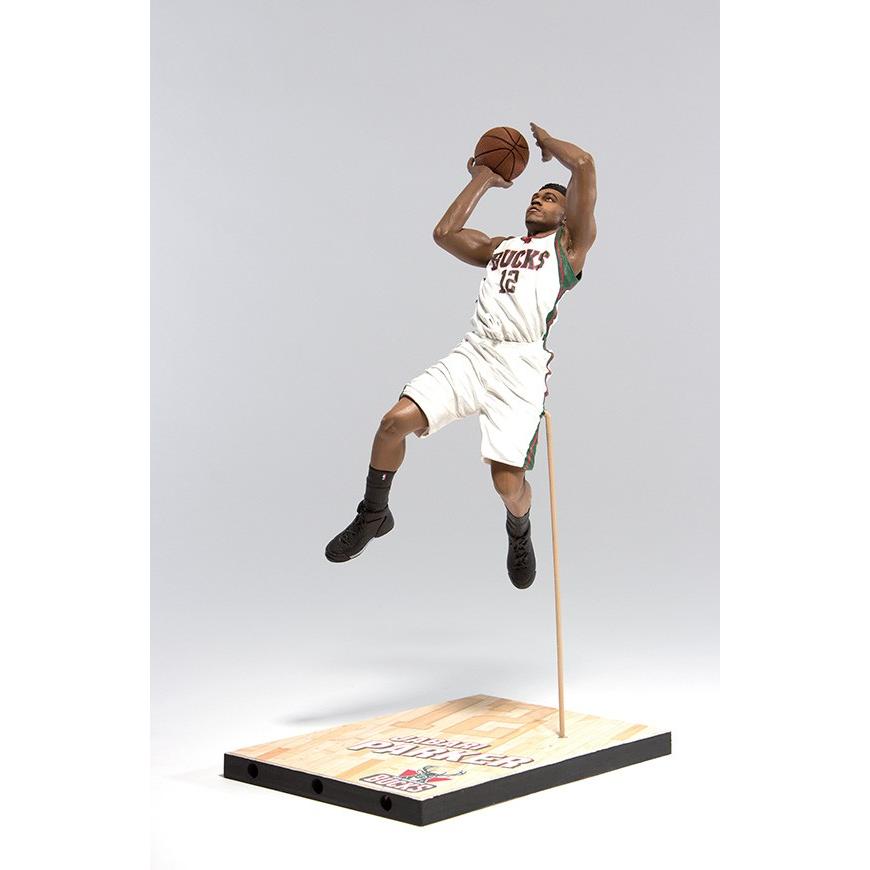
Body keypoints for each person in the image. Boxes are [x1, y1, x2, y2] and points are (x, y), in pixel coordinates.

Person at [325, 122, 598, 588]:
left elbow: (585, 165)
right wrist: (484, 178)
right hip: (475, 353)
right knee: (392, 423)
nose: (538, 200)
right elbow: (445, 232)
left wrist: (550, 146)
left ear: (566, 216)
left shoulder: (568, 248)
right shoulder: (499, 248)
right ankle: (374, 513)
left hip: (519, 368)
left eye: (550, 198)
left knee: (507, 485)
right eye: (534, 196)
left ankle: (519, 527)